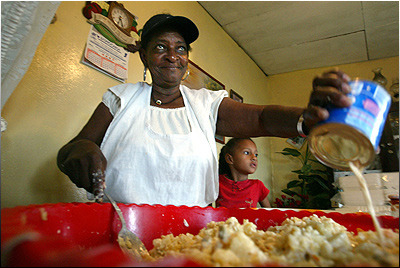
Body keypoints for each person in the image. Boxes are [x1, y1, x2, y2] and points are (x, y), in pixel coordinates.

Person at [57, 13, 352, 207]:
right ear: (145, 56)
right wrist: (81, 151)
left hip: (193, 235)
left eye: (181, 48)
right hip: (122, 233)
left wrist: (305, 118)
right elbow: (70, 151)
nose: (173, 56)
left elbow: (261, 117)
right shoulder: (120, 98)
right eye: (160, 47)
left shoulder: (205, 103)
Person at [216, 138, 271, 208]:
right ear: (230, 159)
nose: (254, 158)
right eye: (247, 153)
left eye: (256, 154)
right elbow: (205, 212)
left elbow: (269, 213)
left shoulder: (258, 186)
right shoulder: (217, 183)